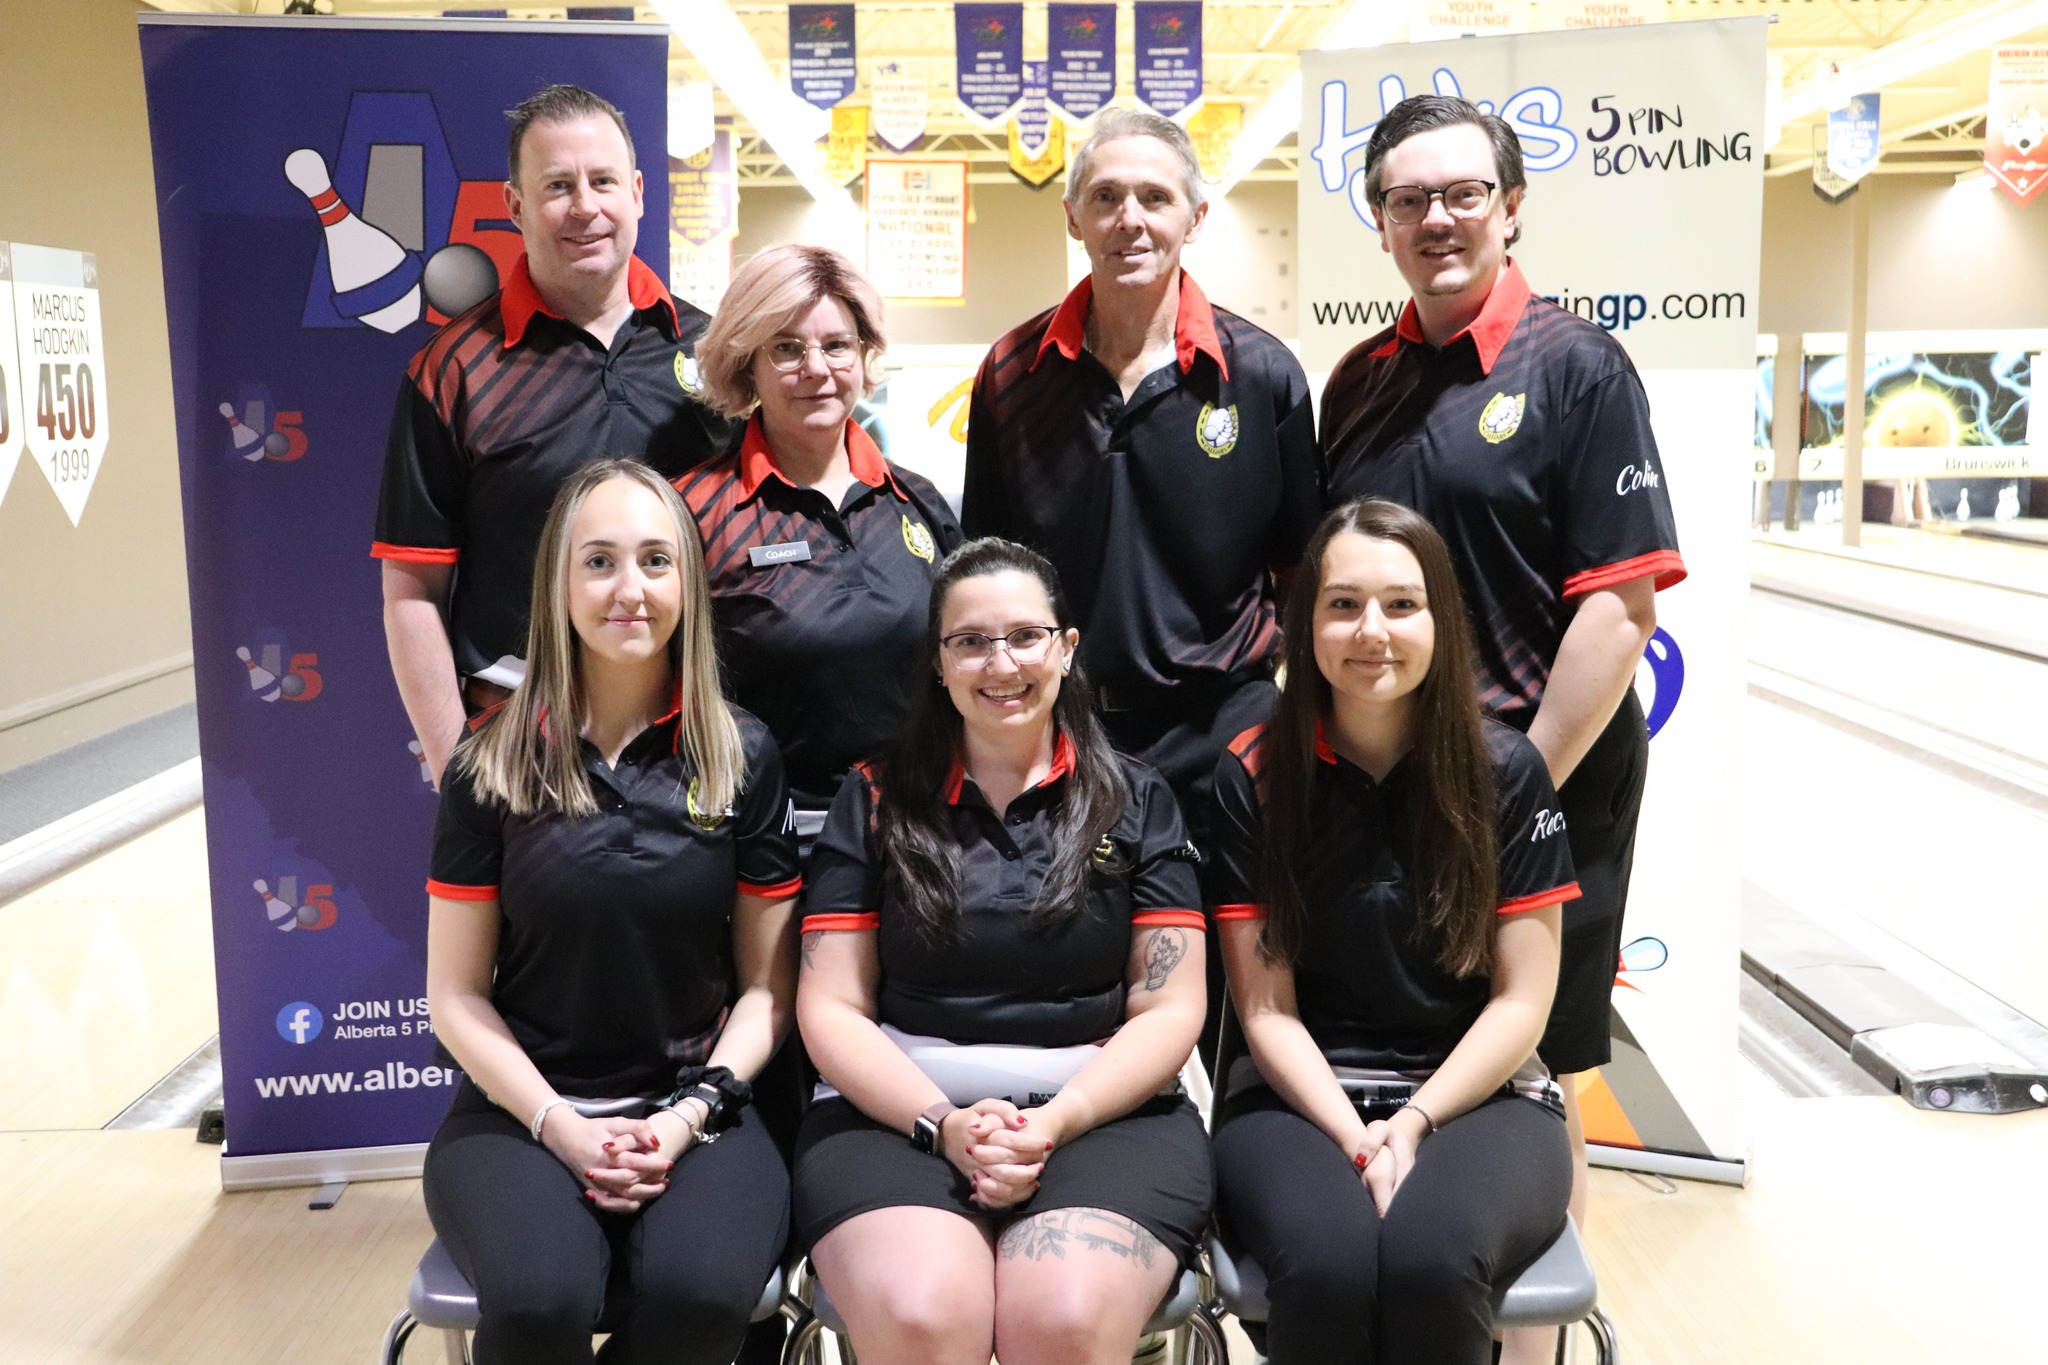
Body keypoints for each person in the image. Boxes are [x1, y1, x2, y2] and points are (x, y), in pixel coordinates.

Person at [1315, 95, 1685, 1304]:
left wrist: (1502, 793)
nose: (1436, 218)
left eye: (1462, 193)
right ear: (1378, 221)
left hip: (1543, 778)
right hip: (1381, 787)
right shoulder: (1356, 382)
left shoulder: (1576, 366)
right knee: (1392, 1049)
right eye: (1407, 199)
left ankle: (1531, 1336)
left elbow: (1618, 608)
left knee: (1539, 1061)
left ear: (1509, 207)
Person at [793, 538, 1211, 1365]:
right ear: (938, 662)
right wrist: (943, 1125)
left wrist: (1056, 1121)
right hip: (896, 1114)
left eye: (1025, 636)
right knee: (923, 1313)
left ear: (1066, 648)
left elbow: (1171, 1006)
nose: (1002, 662)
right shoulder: (873, 796)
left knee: (1061, 1317)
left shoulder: (1137, 797)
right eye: (971, 641)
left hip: (1104, 1114)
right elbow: (830, 1005)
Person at [961, 106, 1321, 1064]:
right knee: (1080, 1003)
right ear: (1073, 215)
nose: (1131, 218)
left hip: (1227, 739)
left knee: (1245, 1014)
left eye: (1155, 198)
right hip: (1067, 743)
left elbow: (1303, 574)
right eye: (1107, 196)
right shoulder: (1011, 374)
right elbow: (985, 572)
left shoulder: (1263, 376)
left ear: (1194, 217)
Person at [421, 460, 797, 1365]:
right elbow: (455, 996)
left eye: (655, 561)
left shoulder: (742, 753)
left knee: (703, 1294)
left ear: (688, 585)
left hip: (697, 1108)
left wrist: (686, 1115)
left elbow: (767, 990)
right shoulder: (488, 761)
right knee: (541, 1301)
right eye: (599, 562)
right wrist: (560, 1123)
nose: (630, 589)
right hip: (524, 1109)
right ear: (558, 584)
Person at [1208, 499, 1578, 1365]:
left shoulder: (1507, 772)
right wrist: (1355, 1136)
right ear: (1306, 624)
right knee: (1328, 1265)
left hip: (1483, 1099)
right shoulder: (1254, 774)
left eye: (1402, 604)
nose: (1371, 630)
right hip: (1298, 1098)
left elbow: (1522, 1002)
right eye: (1342, 604)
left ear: (1441, 619)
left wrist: (1410, 1123)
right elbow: (1266, 1011)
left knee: (1432, 1260)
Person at [376, 84, 736, 787]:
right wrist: (460, 779)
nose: (585, 206)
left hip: (690, 741)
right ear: (514, 206)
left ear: (637, 193)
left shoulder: (716, 357)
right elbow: (412, 593)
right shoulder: (454, 370)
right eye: (558, 186)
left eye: (603, 181)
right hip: (520, 744)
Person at [678, 244, 962, 842]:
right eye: (786, 348)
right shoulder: (694, 512)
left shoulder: (917, 500)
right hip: (770, 843)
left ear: (863, 353)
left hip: (926, 831)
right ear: (746, 364)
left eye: (836, 345)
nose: (817, 368)